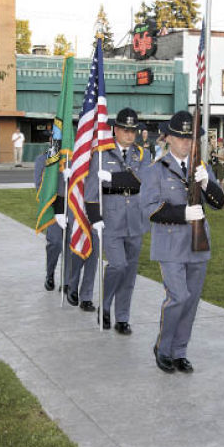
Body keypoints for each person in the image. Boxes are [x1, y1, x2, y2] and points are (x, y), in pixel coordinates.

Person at [141, 110, 224, 373]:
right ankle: (163, 348)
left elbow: (219, 202)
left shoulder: (201, 167)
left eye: (191, 138)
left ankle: (180, 351)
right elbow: (148, 208)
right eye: (180, 137)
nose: (186, 143)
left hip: (198, 243)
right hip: (170, 244)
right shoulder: (155, 170)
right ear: (168, 138)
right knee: (178, 297)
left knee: (191, 300)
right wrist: (181, 213)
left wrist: (206, 183)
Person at [84, 107, 151, 335]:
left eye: (133, 130)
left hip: (135, 220)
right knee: (117, 265)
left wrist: (111, 179)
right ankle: (104, 305)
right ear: (115, 129)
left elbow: (140, 182)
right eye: (125, 130)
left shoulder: (142, 155)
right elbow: (92, 190)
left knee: (130, 272)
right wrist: (95, 219)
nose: (130, 134)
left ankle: (122, 317)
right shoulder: (101, 154)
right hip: (111, 221)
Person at [34, 143, 71, 292]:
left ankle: (67, 281)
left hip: (71, 208)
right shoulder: (42, 159)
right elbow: (39, 185)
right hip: (53, 208)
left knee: (70, 245)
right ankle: (50, 274)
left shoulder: (72, 158)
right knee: (55, 243)